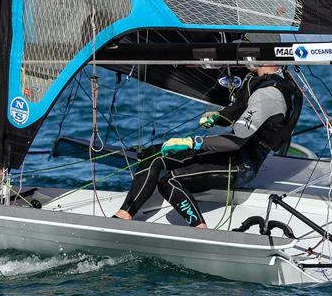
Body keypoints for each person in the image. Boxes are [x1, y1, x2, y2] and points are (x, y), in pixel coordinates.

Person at [114, 65, 302, 227]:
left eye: (247, 52)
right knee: (153, 154)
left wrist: (192, 142)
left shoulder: (268, 94)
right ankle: (124, 214)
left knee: (169, 181)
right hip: (230, 155)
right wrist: (218, 117)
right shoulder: (261, 79)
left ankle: (200, 228)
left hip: (240, 165)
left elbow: (234, 142)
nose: (242, 58)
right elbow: (237, 111)